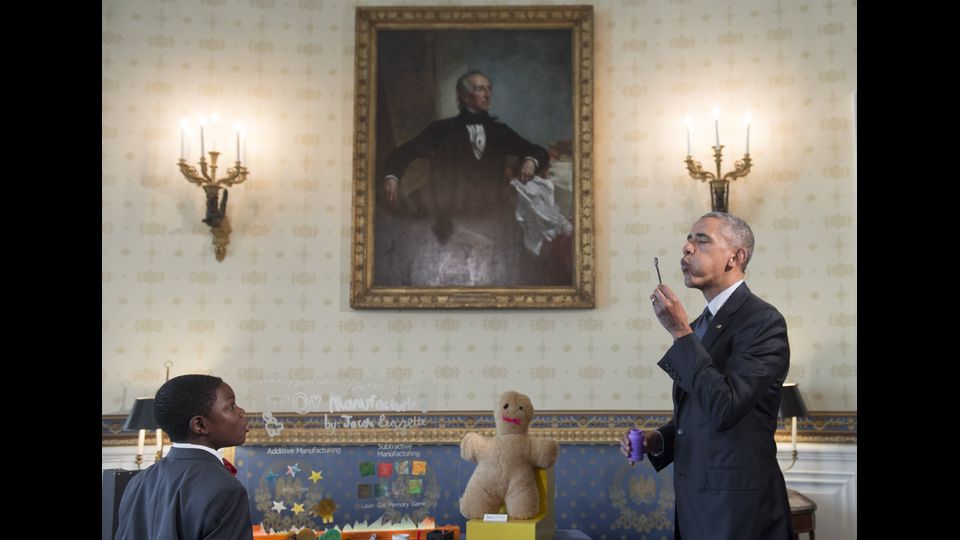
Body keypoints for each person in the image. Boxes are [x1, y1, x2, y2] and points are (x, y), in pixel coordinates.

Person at [620, 212, 795, 540]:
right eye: (687, 241)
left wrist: (679, 333)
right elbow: (701, 411)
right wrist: (660, 439)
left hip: (740, 512)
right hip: (695, 506)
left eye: (700, 240)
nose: (686, 248)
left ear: (736, 257)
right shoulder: (699, 324)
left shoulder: (763, 321)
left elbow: (726, 407)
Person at [376, 71, 550, 286]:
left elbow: (537, 150)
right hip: (447, 203)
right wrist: (392, 176)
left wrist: (531, 160)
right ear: (465, 97)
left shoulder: (500, 131)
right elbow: (403, 153)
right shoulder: (441, 130)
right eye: (480, 89)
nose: (487, 94)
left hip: (488, 204)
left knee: (518, 240)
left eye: (488, 89)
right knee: (399, 231)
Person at [116, 374, 252, 540]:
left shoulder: (138, 481)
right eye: (231, 406)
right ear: (200, 425)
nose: (241, 412)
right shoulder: (227, 490)